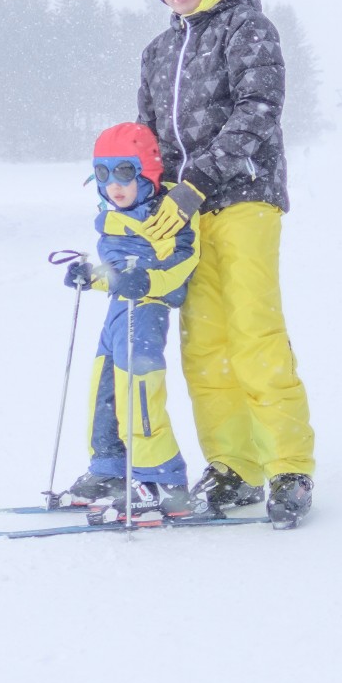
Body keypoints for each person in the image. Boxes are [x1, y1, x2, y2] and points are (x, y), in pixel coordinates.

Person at [133, 0, 317, 528]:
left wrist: (203, 178)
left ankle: (288, 465)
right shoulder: (158, 52)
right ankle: (235, 466)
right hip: (183, 213)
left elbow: (258, 109)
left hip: (244, 196)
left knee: (253, 331)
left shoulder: (246, 28)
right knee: (203, 344)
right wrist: (145, 195)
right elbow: (150, 137)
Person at [55, 122, 199, 519]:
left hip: (147, 313)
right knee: (104, 392)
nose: (114, 184)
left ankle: (162, 482)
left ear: (147, 173)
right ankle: (112, 470)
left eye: (124, 172)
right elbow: (120, 272)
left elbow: (183, 263)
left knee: (139, 395)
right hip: (119, 314)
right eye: (103, 174)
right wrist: (92, 276)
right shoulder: (111, 215)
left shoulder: (168, 215)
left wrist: (148, 279)